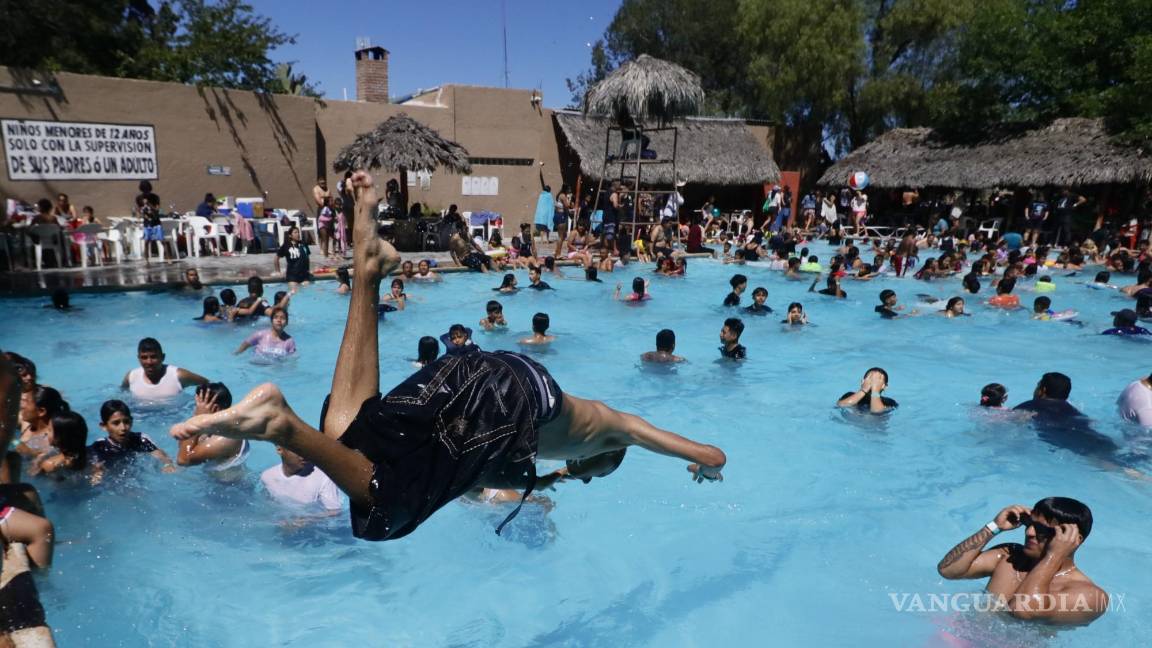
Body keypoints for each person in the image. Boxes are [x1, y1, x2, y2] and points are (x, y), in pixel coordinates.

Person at [170, 171, 725, 542]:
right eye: (594, 472)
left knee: (357, 436)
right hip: (513, 401)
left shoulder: (572, 441)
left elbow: (490, 469)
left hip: (490, 370)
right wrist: (703, 460)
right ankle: (282, 426)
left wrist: (557, 482)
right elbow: (713, 452)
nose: (584, 474)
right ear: (609, 456)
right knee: (390, 512)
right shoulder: (618, 429)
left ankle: (366, 269)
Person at [936, 498, 1108, 626]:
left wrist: (1054, 556)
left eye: (1041, 530)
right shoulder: (1009, 557)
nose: (1030, 532)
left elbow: (1023, 611)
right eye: (1028, 523)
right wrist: (993, 527)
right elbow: (948, 570)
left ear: (1074, 540)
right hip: (956, 637)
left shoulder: (1091, 595)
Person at [1013, 373, 1119, 458]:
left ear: (1043, 390)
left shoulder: (1030, 406)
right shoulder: (1073, 410)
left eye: (1037, 385)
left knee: (1099, 460)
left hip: (1074, 441)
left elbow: (1012, 420)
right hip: (1101, 439)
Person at [176, 384, 249, 481]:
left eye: (198, 406)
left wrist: (196, 419)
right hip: (217, 483)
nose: (196, 410)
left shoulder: (225, 438)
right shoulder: (216, 428)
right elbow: (182, 445)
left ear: (215, 408)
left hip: (230, 490)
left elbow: (183, 460)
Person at [89, 400, 176, 478]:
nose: (123, 427)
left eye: (126, 422)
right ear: (104, 426)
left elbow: (163, 457)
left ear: (131, 421)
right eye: (116, 423)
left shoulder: (140, 439)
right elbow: (94, 471)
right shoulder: (99, 447)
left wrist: (167, 465)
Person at [260, 446, 342, 514]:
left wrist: (306, 520)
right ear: (280, 450)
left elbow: (335, 512)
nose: (304, 455)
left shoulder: (324, 477)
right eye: (297, 450)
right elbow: (268, 504)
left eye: (306, 449)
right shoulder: (267, 476)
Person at [122, 338, 209, 401]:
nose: (149, 362)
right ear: (139, 358)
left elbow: (208, 384)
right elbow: (122, 396)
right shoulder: (131, 377)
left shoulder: (178, 376)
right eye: (144, 358)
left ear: (163, 357)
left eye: (153, 357)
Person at [29, 410, 88, 479]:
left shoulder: (50, 464)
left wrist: (36, 463)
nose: (46, 433)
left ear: (59, 438)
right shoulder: (86, 453)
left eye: (49, 430)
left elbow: (32, 475)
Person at [16, 386, 68, 459]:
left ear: (41, 411)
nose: (21, 406)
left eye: (26, 402)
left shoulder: (51, 439)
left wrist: (30, 452)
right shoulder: (26, 423)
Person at [135, 180, 163, 263]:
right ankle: (147, 259)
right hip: (147, 222)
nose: (146, 193)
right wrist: (140, 217)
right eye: (144, 191)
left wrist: (149, 204)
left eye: (147, 190)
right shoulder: (139, 198)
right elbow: (138, 210)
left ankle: (167, 257)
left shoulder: (155, 197)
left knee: (162, 240)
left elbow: (157, 210)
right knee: (147, 241)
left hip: (156, 221)